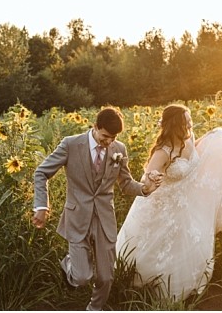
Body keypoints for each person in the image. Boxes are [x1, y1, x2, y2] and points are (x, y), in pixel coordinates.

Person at [115, 104, 222, 301]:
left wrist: (217, 137)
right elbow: (147, 179)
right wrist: (152, 178)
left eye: (190, 120)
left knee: (192, 241)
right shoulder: (163, 152)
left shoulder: (189, 139)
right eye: (186, 122)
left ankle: (188, 289)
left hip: (185, 204)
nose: (190, 124)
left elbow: (202, 150)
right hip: (162, 206)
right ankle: (147, 289)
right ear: (175, 125)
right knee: (155, 249)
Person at [31, 106, 163, 311]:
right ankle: (69, 265)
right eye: (105, 136)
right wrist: (41, 206)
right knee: (82, 276)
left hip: (104, 218)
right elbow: (41, 173)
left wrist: (146, 188)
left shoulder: (119, 149)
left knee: (106, 275)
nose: (109, 141)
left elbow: (126, 184)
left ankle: (95, 308)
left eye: (113, 137)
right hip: (77, 216)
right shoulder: (71, 144)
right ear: (95, 127)